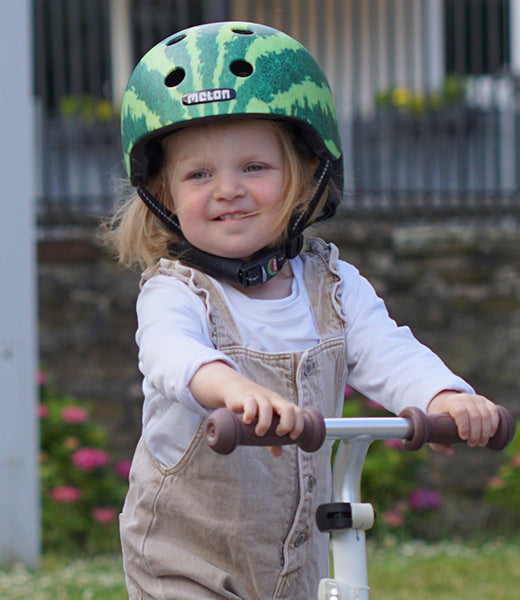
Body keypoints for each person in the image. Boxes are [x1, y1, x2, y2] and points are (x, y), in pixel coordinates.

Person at [107, 21, 500, 600]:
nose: (227, 189)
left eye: (254, 167)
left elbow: (387, 350)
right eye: (198, 174)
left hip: (304, 563)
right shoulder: (175, 291)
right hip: (186, 560)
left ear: (308, 173)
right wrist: (231, 389)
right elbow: (172, 355)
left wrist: (441, 397)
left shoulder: (334, 284)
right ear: (163, 196)